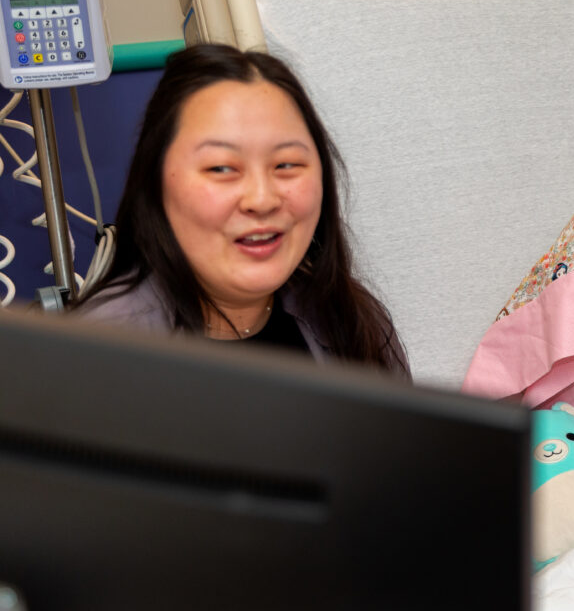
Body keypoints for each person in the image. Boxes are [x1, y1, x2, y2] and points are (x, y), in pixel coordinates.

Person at [75, 43, 408, 377]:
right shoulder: (103, 354)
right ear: (155, 183)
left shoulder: (351, 322)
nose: (262, 199)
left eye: (287, 164)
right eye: (221, 168)